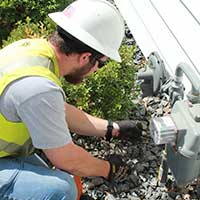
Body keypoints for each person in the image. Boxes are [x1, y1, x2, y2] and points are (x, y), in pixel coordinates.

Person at [0, 0, 142, 199]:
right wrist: (109, 169)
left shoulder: (34, 51)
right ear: (85, 57)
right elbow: (68, 160)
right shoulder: (38, 87)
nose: (96, 71)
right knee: (61, 189)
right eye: (100, 64)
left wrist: (112, 128)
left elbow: (58, 110)